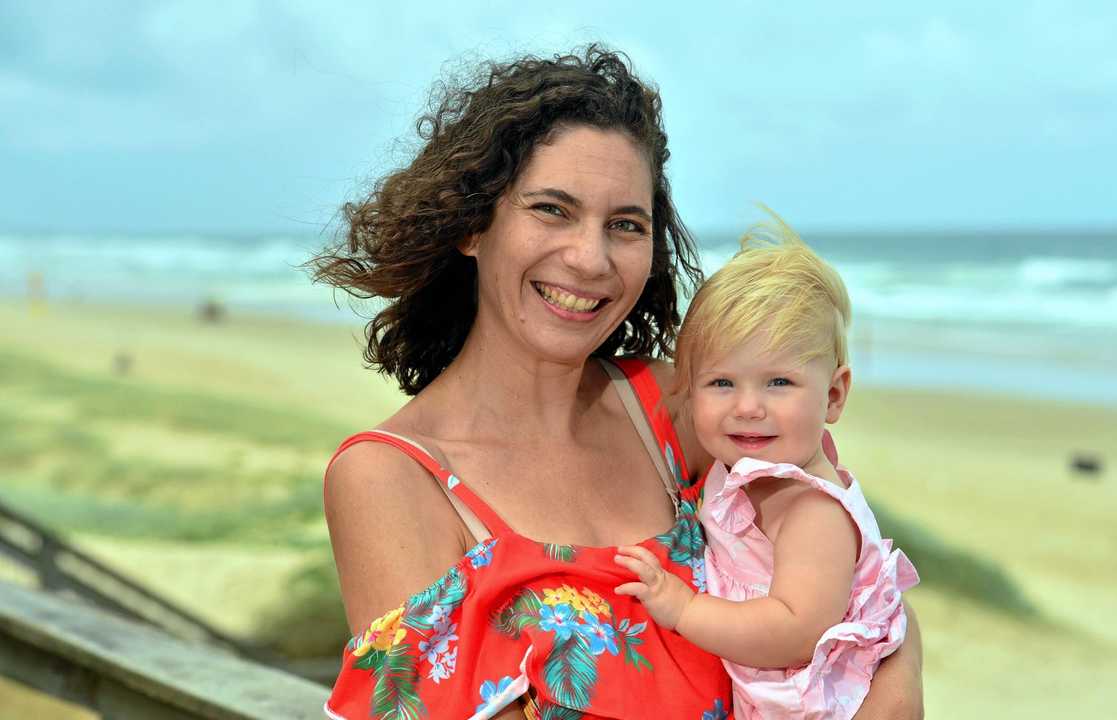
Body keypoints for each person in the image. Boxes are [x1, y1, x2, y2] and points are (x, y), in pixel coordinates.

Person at [311, 45, 923, 719]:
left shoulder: (682, 410)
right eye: (552, 209)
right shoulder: (392, 479)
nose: (590, 258)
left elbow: (869, 602)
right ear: (472, 224)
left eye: (626, 225)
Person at [615, 216, 919, 719]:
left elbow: (796, 630)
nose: (748, 407)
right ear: (687, 392)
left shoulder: (811, 509)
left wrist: (684, 609)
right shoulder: (746, 468)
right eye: (721, 383)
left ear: (834, 395)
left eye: (778, 382)